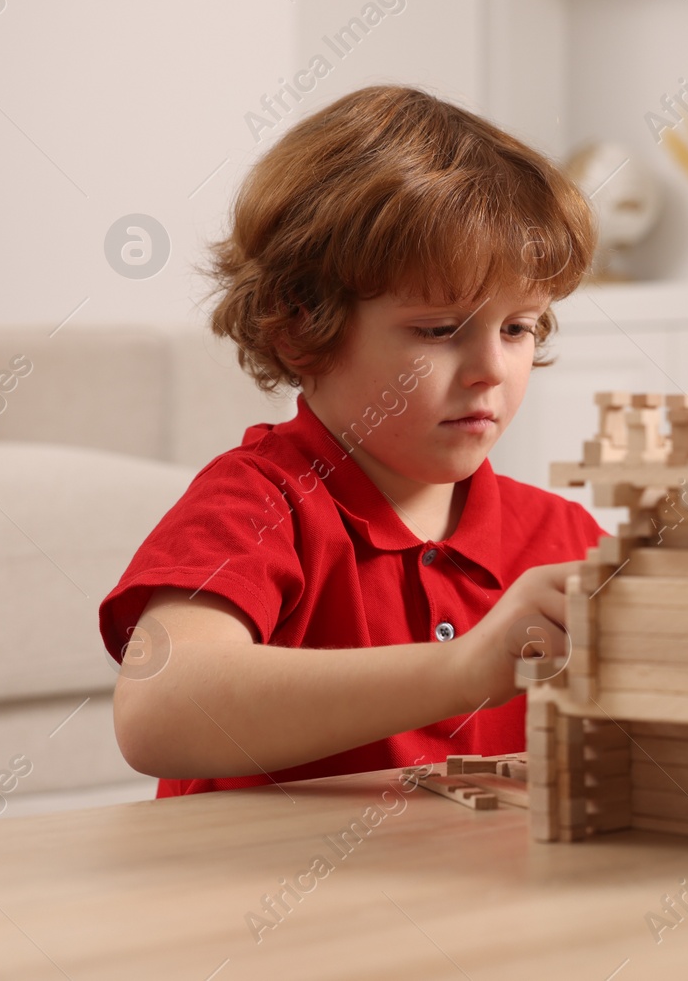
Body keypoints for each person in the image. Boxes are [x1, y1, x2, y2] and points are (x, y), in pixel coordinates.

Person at [97, 85, 606, 797]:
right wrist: (466, 668)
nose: (492, 369)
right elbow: (157, 708)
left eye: (518, 327)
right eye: (438, 329)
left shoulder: (562, 536)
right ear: (302, 328)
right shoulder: (258, 502)